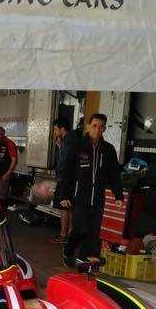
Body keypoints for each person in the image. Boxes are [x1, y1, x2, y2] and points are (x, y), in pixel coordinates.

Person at [58, 113, 124, 268]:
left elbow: (114, 174)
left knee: (93, 232)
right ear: (88, 127)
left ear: (104, 129)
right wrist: (64, 195)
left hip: (98, 198)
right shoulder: (77, 146)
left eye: (101, 127)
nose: (97, 129)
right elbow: (66, 172)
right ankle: (68, 250)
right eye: (94, 126)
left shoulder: (108, 149)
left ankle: (84, 260)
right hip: (79, 197)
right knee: (81, 229)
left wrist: (118, 196)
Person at [50, 118, 79, 244]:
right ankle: (70, 234)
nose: (55, 132)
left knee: (64, 207)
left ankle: (63, 235)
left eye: (56, 129)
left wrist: (60, 147)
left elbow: (63, 163)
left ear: (62, 129)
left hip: (66, 179)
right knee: (69, 207)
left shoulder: (68, 143)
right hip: (71, 179)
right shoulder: (72, 140)